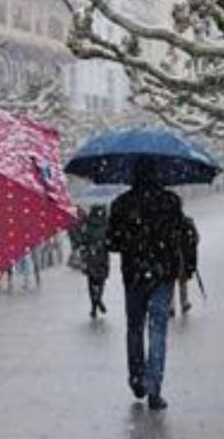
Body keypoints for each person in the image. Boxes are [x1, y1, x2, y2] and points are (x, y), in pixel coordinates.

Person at [107, 161, 186, 410]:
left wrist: (132, 241)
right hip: (163, 275)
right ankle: (155, 387)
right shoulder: (171, 201)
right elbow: (181, 237)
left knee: (135, 328)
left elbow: (112, 242)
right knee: (158, 329)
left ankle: (136, 378)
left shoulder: (121, 204)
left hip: (134, 275)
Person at [78, 205, 110, 319]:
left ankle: (93, 306)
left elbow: (82, 239)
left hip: (91, 255)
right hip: (102, 255)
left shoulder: (87, 223)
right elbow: (111, 240)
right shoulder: (106, 223)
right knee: (101, 280)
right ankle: (99, 299)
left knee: (91, 281)